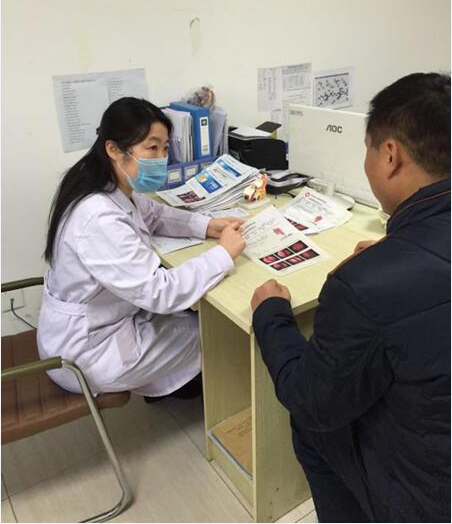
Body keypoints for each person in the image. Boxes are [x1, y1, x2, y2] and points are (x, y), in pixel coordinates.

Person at [251, 72, 450, 523]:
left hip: (430, 501)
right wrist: (397, 252)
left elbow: (311, 400)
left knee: (312, 422)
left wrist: (271, 314)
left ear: (390, 155)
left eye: (367, 149)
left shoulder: (362, 286)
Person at [38, 97, 246, 399]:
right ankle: (216, 399)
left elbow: (154, 214)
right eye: (152, 148)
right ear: (114, 149)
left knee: (193, 319)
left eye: (165, 148)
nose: (161, 158)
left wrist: (206, 226)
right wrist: (223, 254)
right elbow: (161, 292)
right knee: (215, 330)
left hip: (105, 320)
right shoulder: (97, 217)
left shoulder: (105, 183)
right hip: (86, 352)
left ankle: (177, 387)